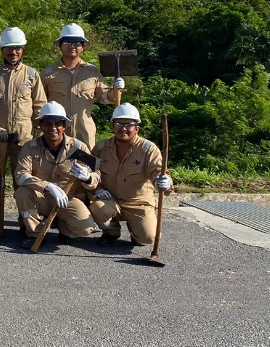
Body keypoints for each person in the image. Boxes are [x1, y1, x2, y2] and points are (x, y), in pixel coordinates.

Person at [13, 101, 101, 248]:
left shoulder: (78, 147)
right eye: (47, 124)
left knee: (84, 229)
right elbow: (21, 175)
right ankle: (34, 233)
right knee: (22, 192)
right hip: (41, 197)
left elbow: (96, 175)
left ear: (64, 126)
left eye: (57, 124)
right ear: (41, 126)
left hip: (68, 199)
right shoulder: (30, 147)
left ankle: (62, 224)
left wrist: (87, 177)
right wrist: (47, 186)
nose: (52, 128)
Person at [0, 26, 47, 207]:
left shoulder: (31, 74)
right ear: (2, 50)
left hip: (23, 139)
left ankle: (25, 218)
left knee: (23, 178)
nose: (13, 52)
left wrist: (40, 134)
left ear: (23, 50)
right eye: (9, 48)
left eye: (17, 48)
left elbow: (40, 107)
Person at [90, 103, 174, 246]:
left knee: (148, 238)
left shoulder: (148, 149)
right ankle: (111, 232)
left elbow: (157, 171)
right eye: (119, 124)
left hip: (139, 202)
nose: (123, 128)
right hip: (110, 200)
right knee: (97, 208)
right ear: (113, 126)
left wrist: (165, 183)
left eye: (128, 125)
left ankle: (137, 231)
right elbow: (91, 173)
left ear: (137, 129)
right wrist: (98, 189)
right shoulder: (101, 148)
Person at [41, 23, 123, 149]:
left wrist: (116, 89)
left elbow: (105, 97)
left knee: (87, 161)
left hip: (85, 132)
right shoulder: (48, 74)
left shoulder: (92, 72)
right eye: (67, 42)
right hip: (56, 133)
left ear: (83, 47)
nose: (72, 46)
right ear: (60, 46)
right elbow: (39, 103)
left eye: (77, 42)